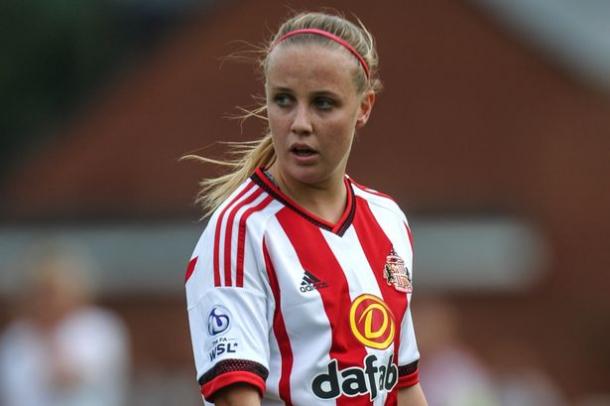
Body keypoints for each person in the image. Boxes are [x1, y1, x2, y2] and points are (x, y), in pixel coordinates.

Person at [185, 11, 427, 405]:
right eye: (283, 100)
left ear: (364, 107)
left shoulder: (388, 220)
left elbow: (403, 384)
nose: (299, 123)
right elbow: (236, 399)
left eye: (323, 104)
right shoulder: (240, 231)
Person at [0, 247, 130, 406]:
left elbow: (78, 376)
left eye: (52, 292)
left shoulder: (98, 327)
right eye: (39, 292)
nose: (46, 301)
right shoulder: (16, 337)